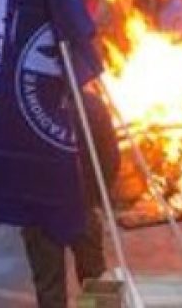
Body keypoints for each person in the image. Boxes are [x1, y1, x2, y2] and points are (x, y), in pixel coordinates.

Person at [21, 92, 120, 308]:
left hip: (38, 208)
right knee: (95, 276)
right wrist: (94, 195)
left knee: (49, 284)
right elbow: (110, 156)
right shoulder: (91, 104)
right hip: (81, 202)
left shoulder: (21, 107)